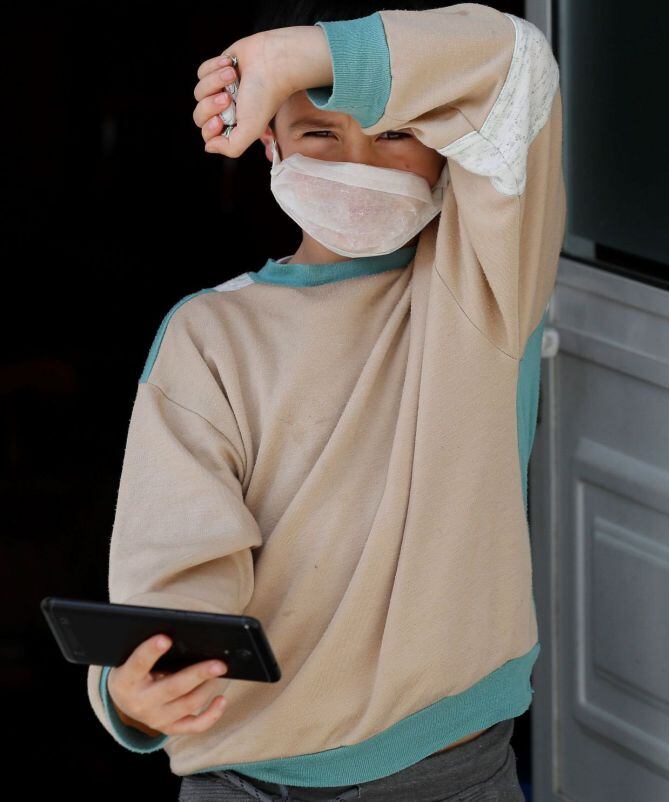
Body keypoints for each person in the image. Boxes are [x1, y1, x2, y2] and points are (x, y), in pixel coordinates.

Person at [83, 1, 565, 799]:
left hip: (443, 774)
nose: (362, 161)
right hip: (236, 776)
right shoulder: (209, 335)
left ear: (447, 148)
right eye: (321, 133)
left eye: (397, 133)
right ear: (269, 140)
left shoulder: (482, 292)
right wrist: (132, 693)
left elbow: (516, 65)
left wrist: (294, 58)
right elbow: (175, 572)